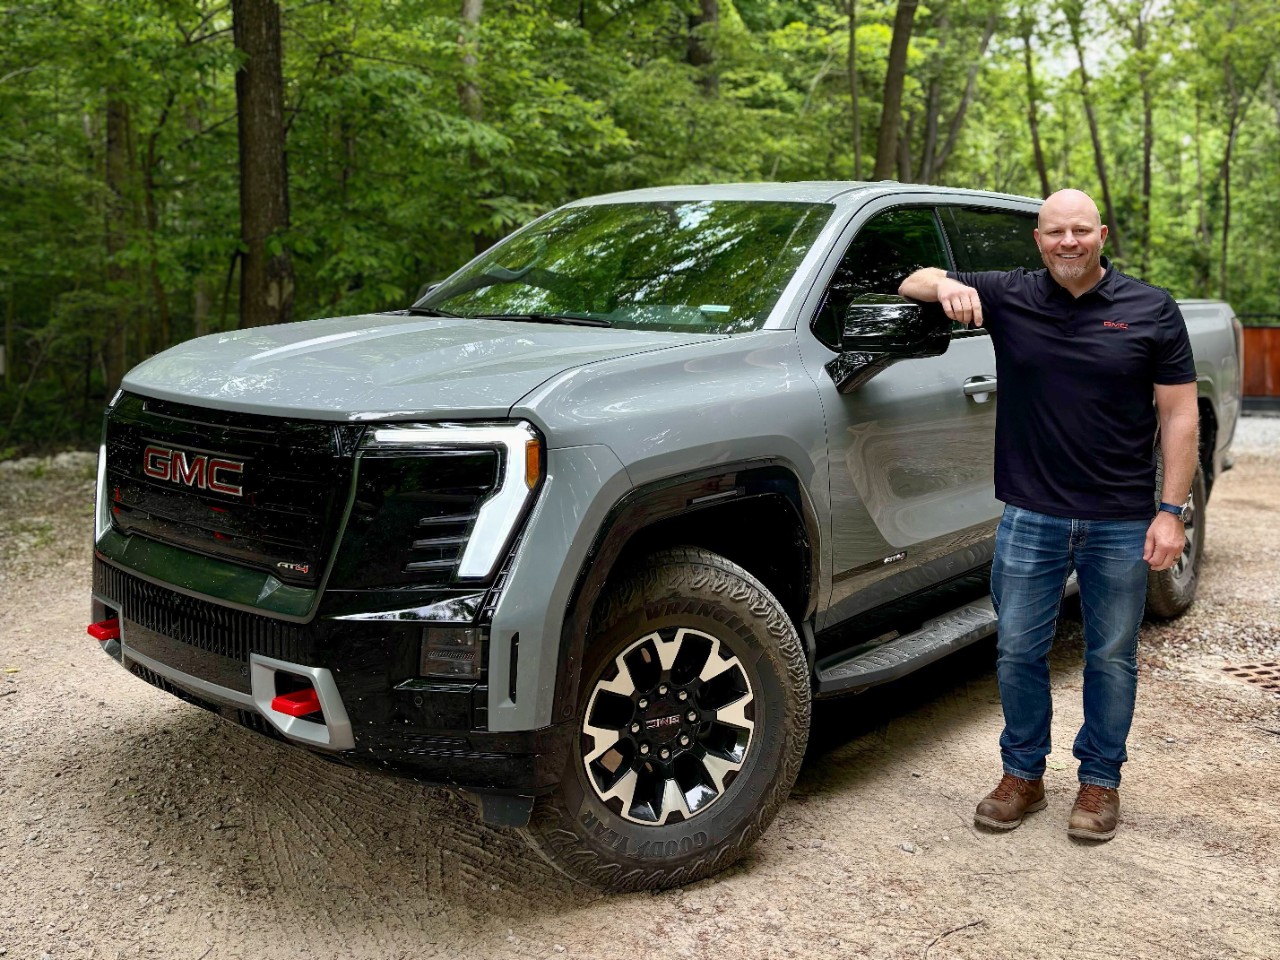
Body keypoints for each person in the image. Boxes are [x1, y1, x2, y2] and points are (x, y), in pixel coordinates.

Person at [898, 189, 1198, 842]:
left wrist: (1169, 512)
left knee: (1111, 655)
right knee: (1017, 651)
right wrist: (945, 287)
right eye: (1056, 231)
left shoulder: (1151, 309)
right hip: (1030, 516)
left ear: (1103, 235)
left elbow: (1179, 414)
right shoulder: (1011, 294)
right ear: (1038, 240)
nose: (1069, 242)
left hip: (1120, 518)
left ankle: (1099, 782)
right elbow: (911, 278)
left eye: (1081, 231)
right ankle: (1023, 775)